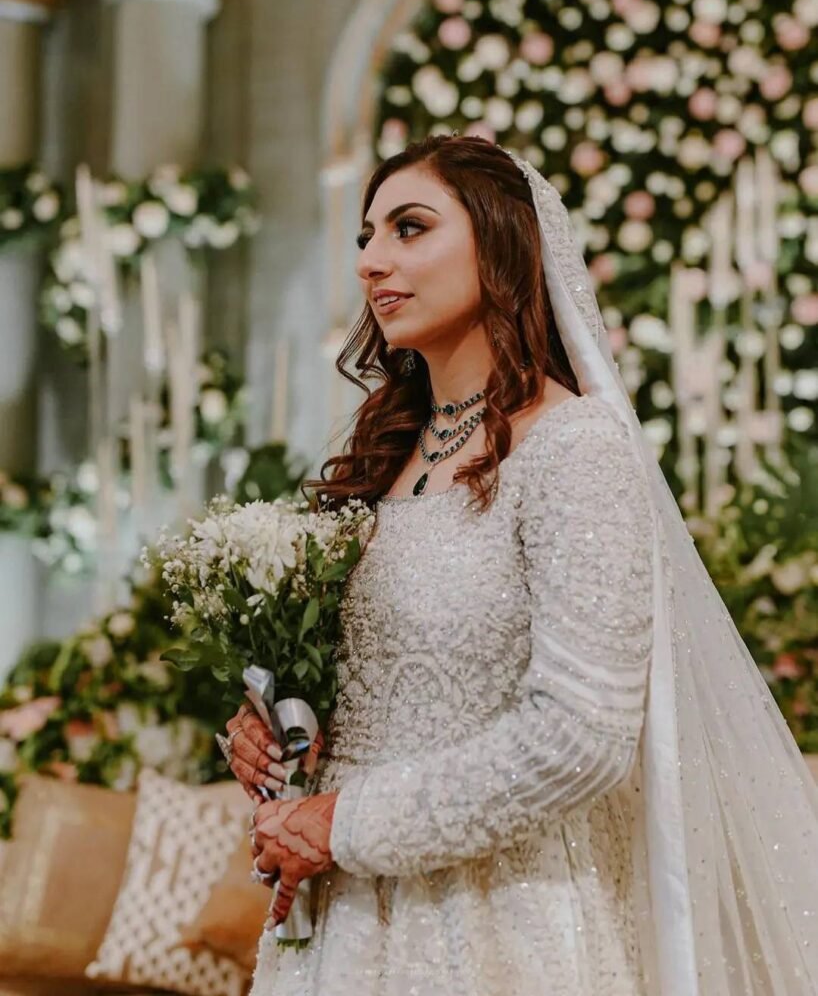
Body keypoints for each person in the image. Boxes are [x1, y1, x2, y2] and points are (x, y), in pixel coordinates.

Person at [223, 135, 818, 995]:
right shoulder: (383, 455)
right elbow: (370, 682)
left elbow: (582, 736)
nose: (372, 260)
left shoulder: (574, 448)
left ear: (502, 243)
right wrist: (277, 728)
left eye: (410, 228)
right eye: (366, 236)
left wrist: (345, 823)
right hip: (341, 925)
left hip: (500, 923)